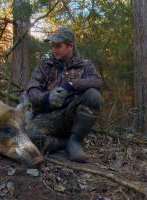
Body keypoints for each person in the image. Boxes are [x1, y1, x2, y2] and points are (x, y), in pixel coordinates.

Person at [25, 26, 103, 163]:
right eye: (52, 45)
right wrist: (47, 98)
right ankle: (64, 144)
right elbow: (32, 90)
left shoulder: (85, 65)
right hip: (49, 117)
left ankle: (76, 141)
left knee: (93, 96)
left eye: (58, 46)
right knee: (29, 137)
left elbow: (98, 82)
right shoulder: (45, 65)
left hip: (72, 116)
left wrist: (71, 85)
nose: (54, 49)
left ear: (70, 46)